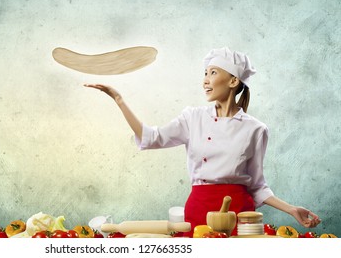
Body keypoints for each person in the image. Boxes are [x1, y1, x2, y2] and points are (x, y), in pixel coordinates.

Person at [84, 47, 321, 236]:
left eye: (213, 73)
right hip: (198, 209)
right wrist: (119, 99)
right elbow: (151, 138)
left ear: (233, 81)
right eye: (205, 74)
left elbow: (257, 186)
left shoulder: (256, 129)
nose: (205, 81)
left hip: (238, 213)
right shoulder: (192, 118)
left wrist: (291, 209)